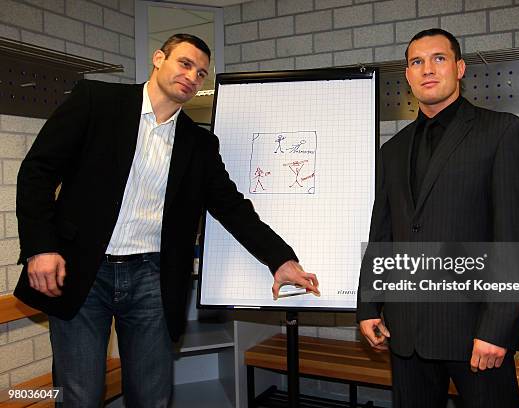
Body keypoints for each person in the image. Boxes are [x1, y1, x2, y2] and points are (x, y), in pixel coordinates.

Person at [14, 33, 319, 408]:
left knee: (152, 397)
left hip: (151, 279)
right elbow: (37, 172)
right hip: (81, 272)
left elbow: (232, 207)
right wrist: (41, 247)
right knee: (80, 396)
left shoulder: (199, 143)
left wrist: (281, 259)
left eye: (201, 73)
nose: (192, 76)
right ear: (159, 58)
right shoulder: (98, 101)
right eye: (185, 64)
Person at [357, 29, 519, 407]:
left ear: (459, 68)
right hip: (405, 334)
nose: (427, 69)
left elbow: (516, 241)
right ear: (408, 75)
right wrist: (368, 305)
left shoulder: (503, 133)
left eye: (438, 58)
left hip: (475, 336)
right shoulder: (392, 150)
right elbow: (384, 234)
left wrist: (498, 331)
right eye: (416, 62)